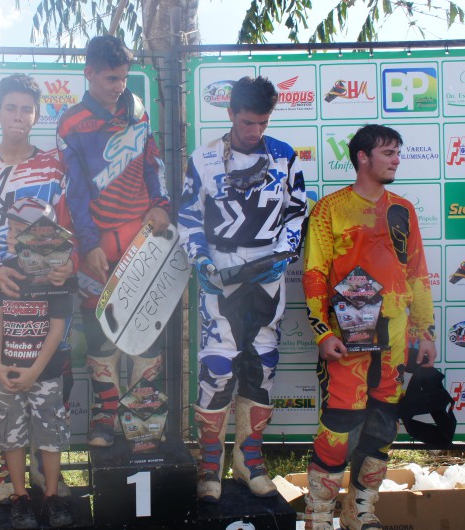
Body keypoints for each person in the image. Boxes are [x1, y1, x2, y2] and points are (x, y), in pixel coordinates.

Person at [178, 76, 308, 501]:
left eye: (263, 123)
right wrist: (200, 258)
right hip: (221, 274)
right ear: (231, 113)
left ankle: (249, 459)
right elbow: (188, 216)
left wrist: (285, 252)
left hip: (268, 275)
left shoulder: (285, 156)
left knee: (262, 365)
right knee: (216, 368)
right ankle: (209, 464)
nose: (255, 131)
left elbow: (297, 212)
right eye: (248, 122)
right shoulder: (203, 158)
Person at [301, 124, 437, 530]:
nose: (397, 160)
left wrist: (425, 332)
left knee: (382, 425)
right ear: (363, 157)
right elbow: (314, 273)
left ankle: (359, 510)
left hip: (395, 340)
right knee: (339, 425)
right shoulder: (330, 208)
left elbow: (417, 274)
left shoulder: (403, 209)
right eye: (388, 153)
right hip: (348, 338)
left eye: (398, 152)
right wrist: (322, 332)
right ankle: (318, 513)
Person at [0, 73, 74, 503]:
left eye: (27, 109)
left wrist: (68, 265)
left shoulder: (55, 165)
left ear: (37, 116)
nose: (19, 116)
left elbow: (71, 221)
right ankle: (11, 478)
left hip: (49, 288)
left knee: (52, 374)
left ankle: (48, 475)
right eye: (12, 108)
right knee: (2, 378)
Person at [56, 35, 170, 447]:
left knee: (146, 329)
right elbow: (74, 192)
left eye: (123, 77)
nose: (119, 86)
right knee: (100, 330)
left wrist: (160, 203)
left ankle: (141, 416)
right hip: (98, 244)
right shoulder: (71, 123)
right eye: (110, 79)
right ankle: (105, 415)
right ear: (88, 73)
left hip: (142, 240)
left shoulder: (138, 112)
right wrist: (88, 245)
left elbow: (152, 164)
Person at [0, 198, 75, 529]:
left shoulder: (58, 274)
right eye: (10, 228)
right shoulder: (6, 269)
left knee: (50, 436)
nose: (11, 235)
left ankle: (52, 496)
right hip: (9, 372)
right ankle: (20, 497)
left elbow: (57, 329)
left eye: (19, 230)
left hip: (46, 374)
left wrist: (35, 373)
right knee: (11, 436)